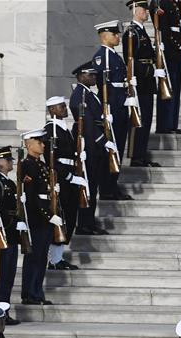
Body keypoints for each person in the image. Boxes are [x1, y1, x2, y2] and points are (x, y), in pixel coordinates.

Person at [92, 20, 134, 201]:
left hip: (120, 106)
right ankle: (108, 188)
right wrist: (108, 109)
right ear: (104, 36)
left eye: (118, 34)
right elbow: (104, 86)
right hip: (112, 109)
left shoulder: (114, 55)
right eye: (114, 34)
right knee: (112, 151)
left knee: (118, 149)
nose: (118, 37)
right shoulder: (103, 57)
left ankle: (112, 185)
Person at [69, 62, 110, 236]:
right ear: (81, 76)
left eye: (94, 75)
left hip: (95, 145)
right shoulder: (80, 95)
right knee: (89, 186)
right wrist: (102, 139)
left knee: (93, 187)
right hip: (90, 145)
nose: (94, 77)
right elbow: (85, 123)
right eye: (91, 75)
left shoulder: (88, 93)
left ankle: (89, 222)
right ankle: (85, 224)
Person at [44, 96, 82, 272]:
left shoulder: (63, 128)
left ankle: (58, 257)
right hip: (62, 179)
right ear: (52, 110)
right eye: (61, 107)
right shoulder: (50, 130)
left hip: (71, 174)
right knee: (62, 217)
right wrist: (68, 176)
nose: (65, 109)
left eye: (64, 106)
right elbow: (51, 160)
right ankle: (54, 259)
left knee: (70, 216)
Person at [122, 0, 161, 167]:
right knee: (139, 120)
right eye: (144, 10)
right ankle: (136, 155)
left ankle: (141, 153)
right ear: (135, 10)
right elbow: (130, 60)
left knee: (146, 118)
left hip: (147, 82)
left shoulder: (141, 31)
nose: (146, 12)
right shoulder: (131, 33)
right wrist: (151, 71)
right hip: (140, 82)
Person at [0, 146, 25, 315]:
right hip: (1, 235)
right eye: (8, 160)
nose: (11, 163)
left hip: (12, 235)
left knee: (8, 275)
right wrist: (12, 223)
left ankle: (5, 310)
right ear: (0, 162)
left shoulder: (8, 182)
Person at [19, 129, 55, 306]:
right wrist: (48, 215)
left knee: (42, 257)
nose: (42, 145)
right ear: (28, 144)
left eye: (42, 142)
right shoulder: (27, 165)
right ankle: (30, 293)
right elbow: (31, 197)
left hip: (45, 217)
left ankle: (37, 291)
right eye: (39, 141)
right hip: (37, 218)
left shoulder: (41, 164)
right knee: (34, 257)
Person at [152, 0, 181, 134]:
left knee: (175, 89)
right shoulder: (161, 3)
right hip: (169, 51)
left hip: (176, 51)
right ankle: (164, 124)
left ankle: (172, 123)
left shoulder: (174, 3)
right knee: (168, 88)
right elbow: (163, 28)